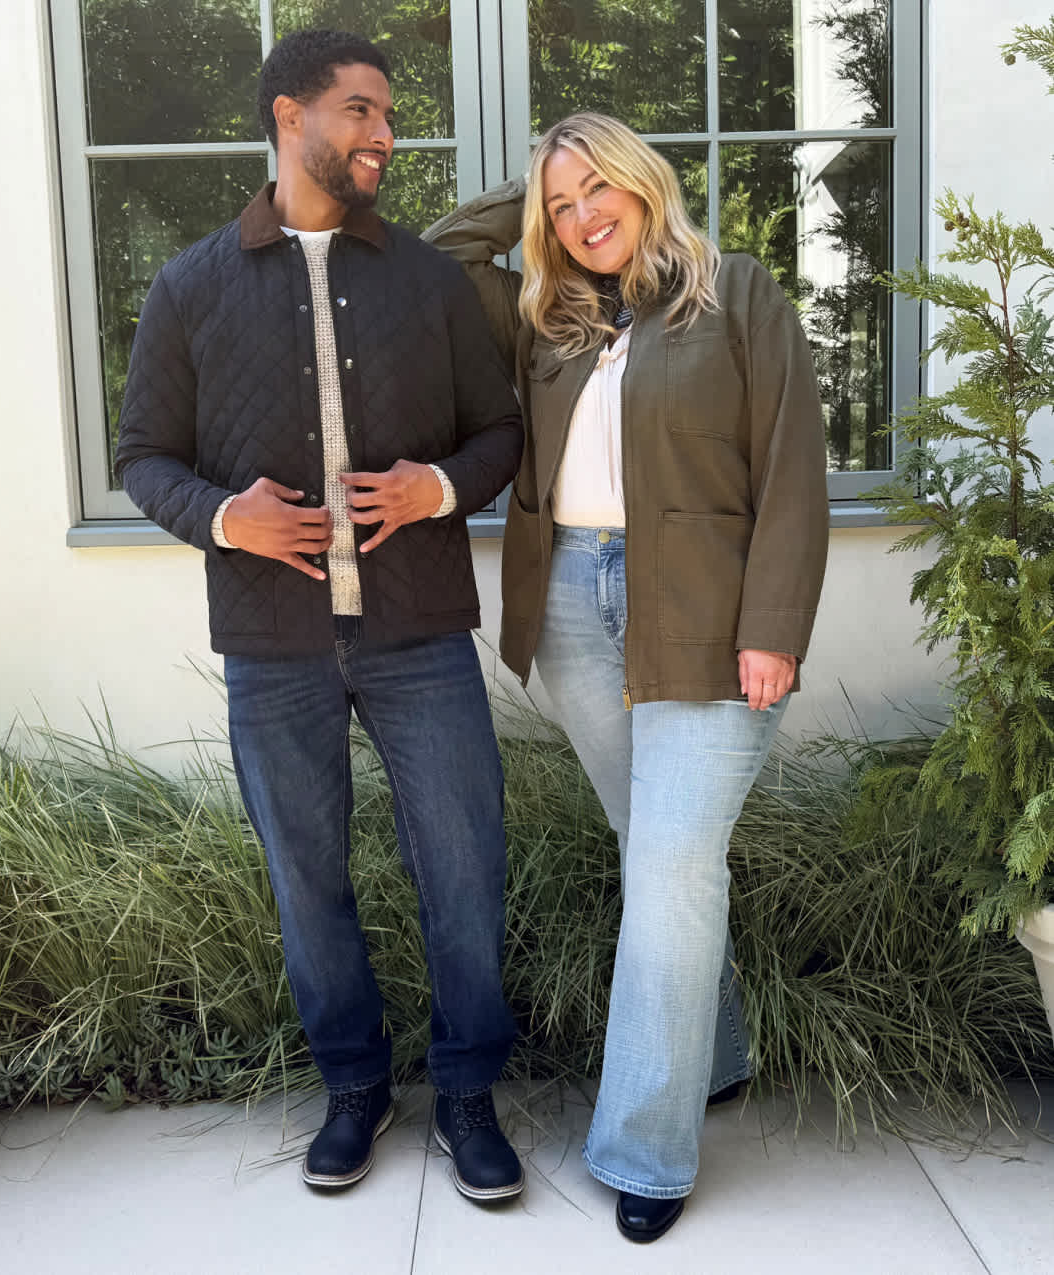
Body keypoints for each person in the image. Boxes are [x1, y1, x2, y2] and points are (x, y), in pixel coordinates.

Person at [115, 29, 526, 1203]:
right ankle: (354, 1088)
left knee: (464, 865)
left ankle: (465, 1092)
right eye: (360, 111)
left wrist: (437, 487)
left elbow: (498, 434)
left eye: (388, 117)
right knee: (309, 879)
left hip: (419, 633)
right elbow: (144, 456)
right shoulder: (190, 285)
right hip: (272, 643)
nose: (384, 136)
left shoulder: (427, 280)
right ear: (290, 115)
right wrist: (222, 520)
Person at [424, 112, 828, 1241]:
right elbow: (443, 250)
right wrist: (539, 181)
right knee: (661, 856)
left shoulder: (736, 292)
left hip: (707, 612)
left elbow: (795, 466)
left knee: (670, 867)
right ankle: (720, 1054)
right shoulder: (544, 318)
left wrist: (775, 626)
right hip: (570, 609)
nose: (584, 215)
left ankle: (647, 1151)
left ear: (648, 182)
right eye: (563, 206)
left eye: (602, 187)